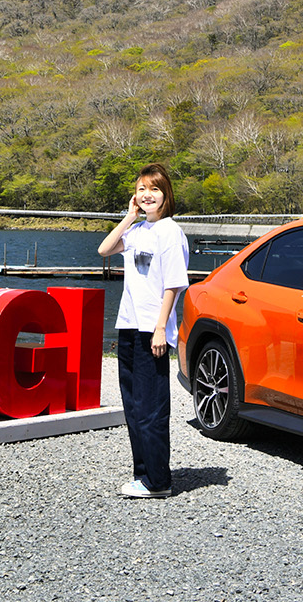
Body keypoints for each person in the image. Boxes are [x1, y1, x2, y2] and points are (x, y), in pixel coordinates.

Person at [97, 162, 189, 498]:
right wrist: (129, 217)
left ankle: (159, 480)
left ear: (166, 195)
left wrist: (161, 329)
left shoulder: (170, 232)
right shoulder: (136, 233)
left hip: (152, 329)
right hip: (128, 325)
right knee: (133, 404)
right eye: (141, 189)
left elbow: (174, 286)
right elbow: (104, 250)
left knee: (151, 406)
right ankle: (144, 474)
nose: (147, 195)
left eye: (154, 189)